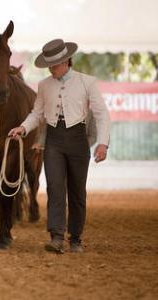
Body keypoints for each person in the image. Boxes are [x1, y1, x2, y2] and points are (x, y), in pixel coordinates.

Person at [8, 39, 110, 254]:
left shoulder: (87, 82)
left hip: (78, 139)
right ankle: (56, 237)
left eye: (54, 65)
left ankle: (76, 238)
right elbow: (36, 113)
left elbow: (101, 114)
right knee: (55, 188)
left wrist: (103, 143)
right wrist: (23, 128)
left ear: (66, 61)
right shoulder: (44, 85)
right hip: (53, 140)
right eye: (49, 66)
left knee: (76, 191)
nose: (51, 69)